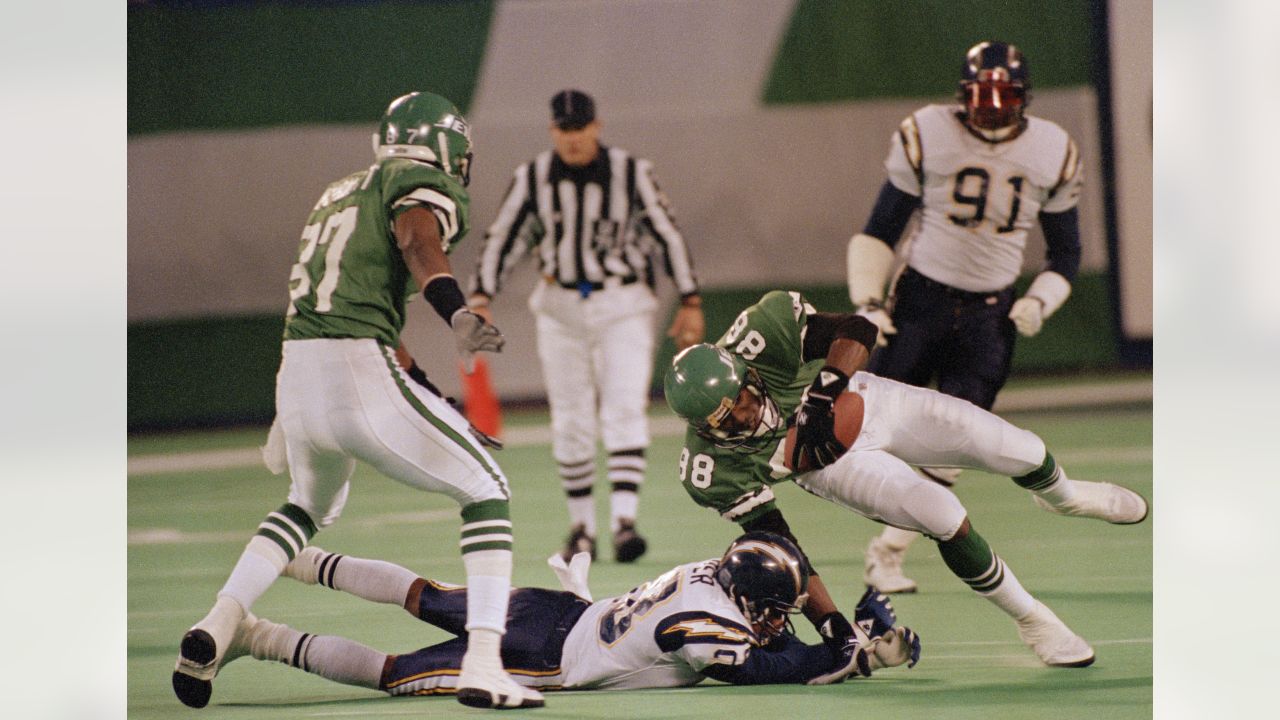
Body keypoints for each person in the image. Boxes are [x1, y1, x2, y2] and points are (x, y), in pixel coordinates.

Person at [172, 92, 544, 711]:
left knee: (305, 506)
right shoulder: (415, 185)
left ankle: (217, 623)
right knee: (487, 492)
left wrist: (426, 390)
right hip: (353, 369)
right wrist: (457, 313)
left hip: (297, 371)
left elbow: (363, 298)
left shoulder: (340, 191)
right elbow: (418, 239)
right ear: (443, 147)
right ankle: (483, 664)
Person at [663, 290, 1148, 668]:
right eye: (726, 421)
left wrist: (821, 396)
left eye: (744, 398)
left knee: (1017, 447)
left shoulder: (762, 333)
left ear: (744, 371)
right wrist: (832, 625)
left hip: (866, 399)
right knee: (942, 512)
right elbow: (784, 547)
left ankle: (1065, 497)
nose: (745, 417)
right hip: (828, 464)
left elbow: (857, 328)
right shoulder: (711, 469)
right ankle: (1033, 619)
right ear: (704, 428)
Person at [846, 41, 1088, 593]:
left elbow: (1066, 254)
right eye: (984, 94)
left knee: (955, 442)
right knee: (870, 422)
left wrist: (1039, 301)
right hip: (920, 301)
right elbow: (879, 231)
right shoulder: (929, 132)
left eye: (1006, 95)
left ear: (1025, 98)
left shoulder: (1053, 148)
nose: (995, 106)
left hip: (989, 313)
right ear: (963, 96)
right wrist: (867, 302)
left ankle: (887, 551)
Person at [203, 532, 920, 701]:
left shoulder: (713, 576)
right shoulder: (708, 620)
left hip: (557, 610)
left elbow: (762, 638)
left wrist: (845, 640)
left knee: (422, 595)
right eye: (773, 609)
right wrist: (849, 655)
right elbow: (762, 667)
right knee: (397, 673)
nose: (776, 619)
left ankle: (295, 557)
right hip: (545, 659)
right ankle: (261, 639)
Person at [466, 89, 705, 564]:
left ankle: (623, 522)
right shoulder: (531, 178)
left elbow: (667, 233)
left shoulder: (632, 173)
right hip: (559, 303)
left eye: (580, 128)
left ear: (596, 126)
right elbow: (504, 238)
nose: (573, 139)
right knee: (570, 414)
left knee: (623, 406)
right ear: (553, 131)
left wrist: (691, 297)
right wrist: (480, 294)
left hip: (623, 300)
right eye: (564, 130)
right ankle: (582, 528)